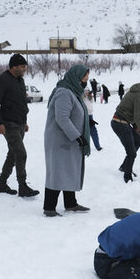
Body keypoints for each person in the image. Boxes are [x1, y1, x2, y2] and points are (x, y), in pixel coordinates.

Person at [42, 65, 92, 217]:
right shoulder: (64, 92)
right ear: (75, 78)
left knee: (70, 170)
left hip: (70, 139)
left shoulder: (73, 92)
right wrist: (78, 136)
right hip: (60, 140)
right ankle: (49, 207)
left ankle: (71, 203)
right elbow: (62, 118)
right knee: (58, 172)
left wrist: (86, 124)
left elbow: (77, 113)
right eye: (84, 80)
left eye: (86, 80)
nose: (85, 83)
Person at [0, 53, 39, 197]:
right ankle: (22, 186)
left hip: (20, 123)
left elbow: (21, 103)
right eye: (22, 66)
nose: (25, 69)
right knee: (21, 154)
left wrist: (25, 121)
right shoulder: (2, 80)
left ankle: (1, 184)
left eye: (25, 66)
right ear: (14, 66)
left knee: (12, 155)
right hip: (8, 124)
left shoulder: (20, 81)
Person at [111, 78, 140, 183]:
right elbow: (138, 117)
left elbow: (130, 112)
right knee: (132, 152)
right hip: (120, 123)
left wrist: (136, 127)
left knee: (138, 140)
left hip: (122, 122)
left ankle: (124, 167)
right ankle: (127, 177)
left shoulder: (139, 93)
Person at [84, 85, 102, 152]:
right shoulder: (81, 96)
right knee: (84, 133)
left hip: (90, 115)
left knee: (93, 132)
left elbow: (91, 101)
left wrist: (89, 95)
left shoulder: (89, 97)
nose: (87, 92)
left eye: (88, 91)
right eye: (86, 91)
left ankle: (98, 146)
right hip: (84, 116)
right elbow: (81, 97)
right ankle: (84, 147)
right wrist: (85, 94)